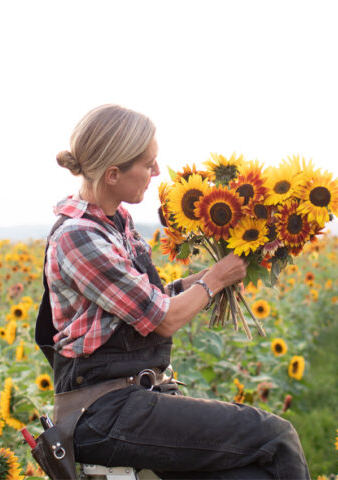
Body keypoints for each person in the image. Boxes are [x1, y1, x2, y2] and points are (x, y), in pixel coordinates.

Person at [40, 104, 310, 479]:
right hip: (102, 412)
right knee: (275, 436)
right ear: (114, 173)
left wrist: (219, 273)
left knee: (251, 475)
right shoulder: (79, 237)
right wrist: (215, 279)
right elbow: (162, 319)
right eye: (147, 163)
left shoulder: (115, 223)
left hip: (133, 398)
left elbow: (143, 301)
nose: (156, 172)